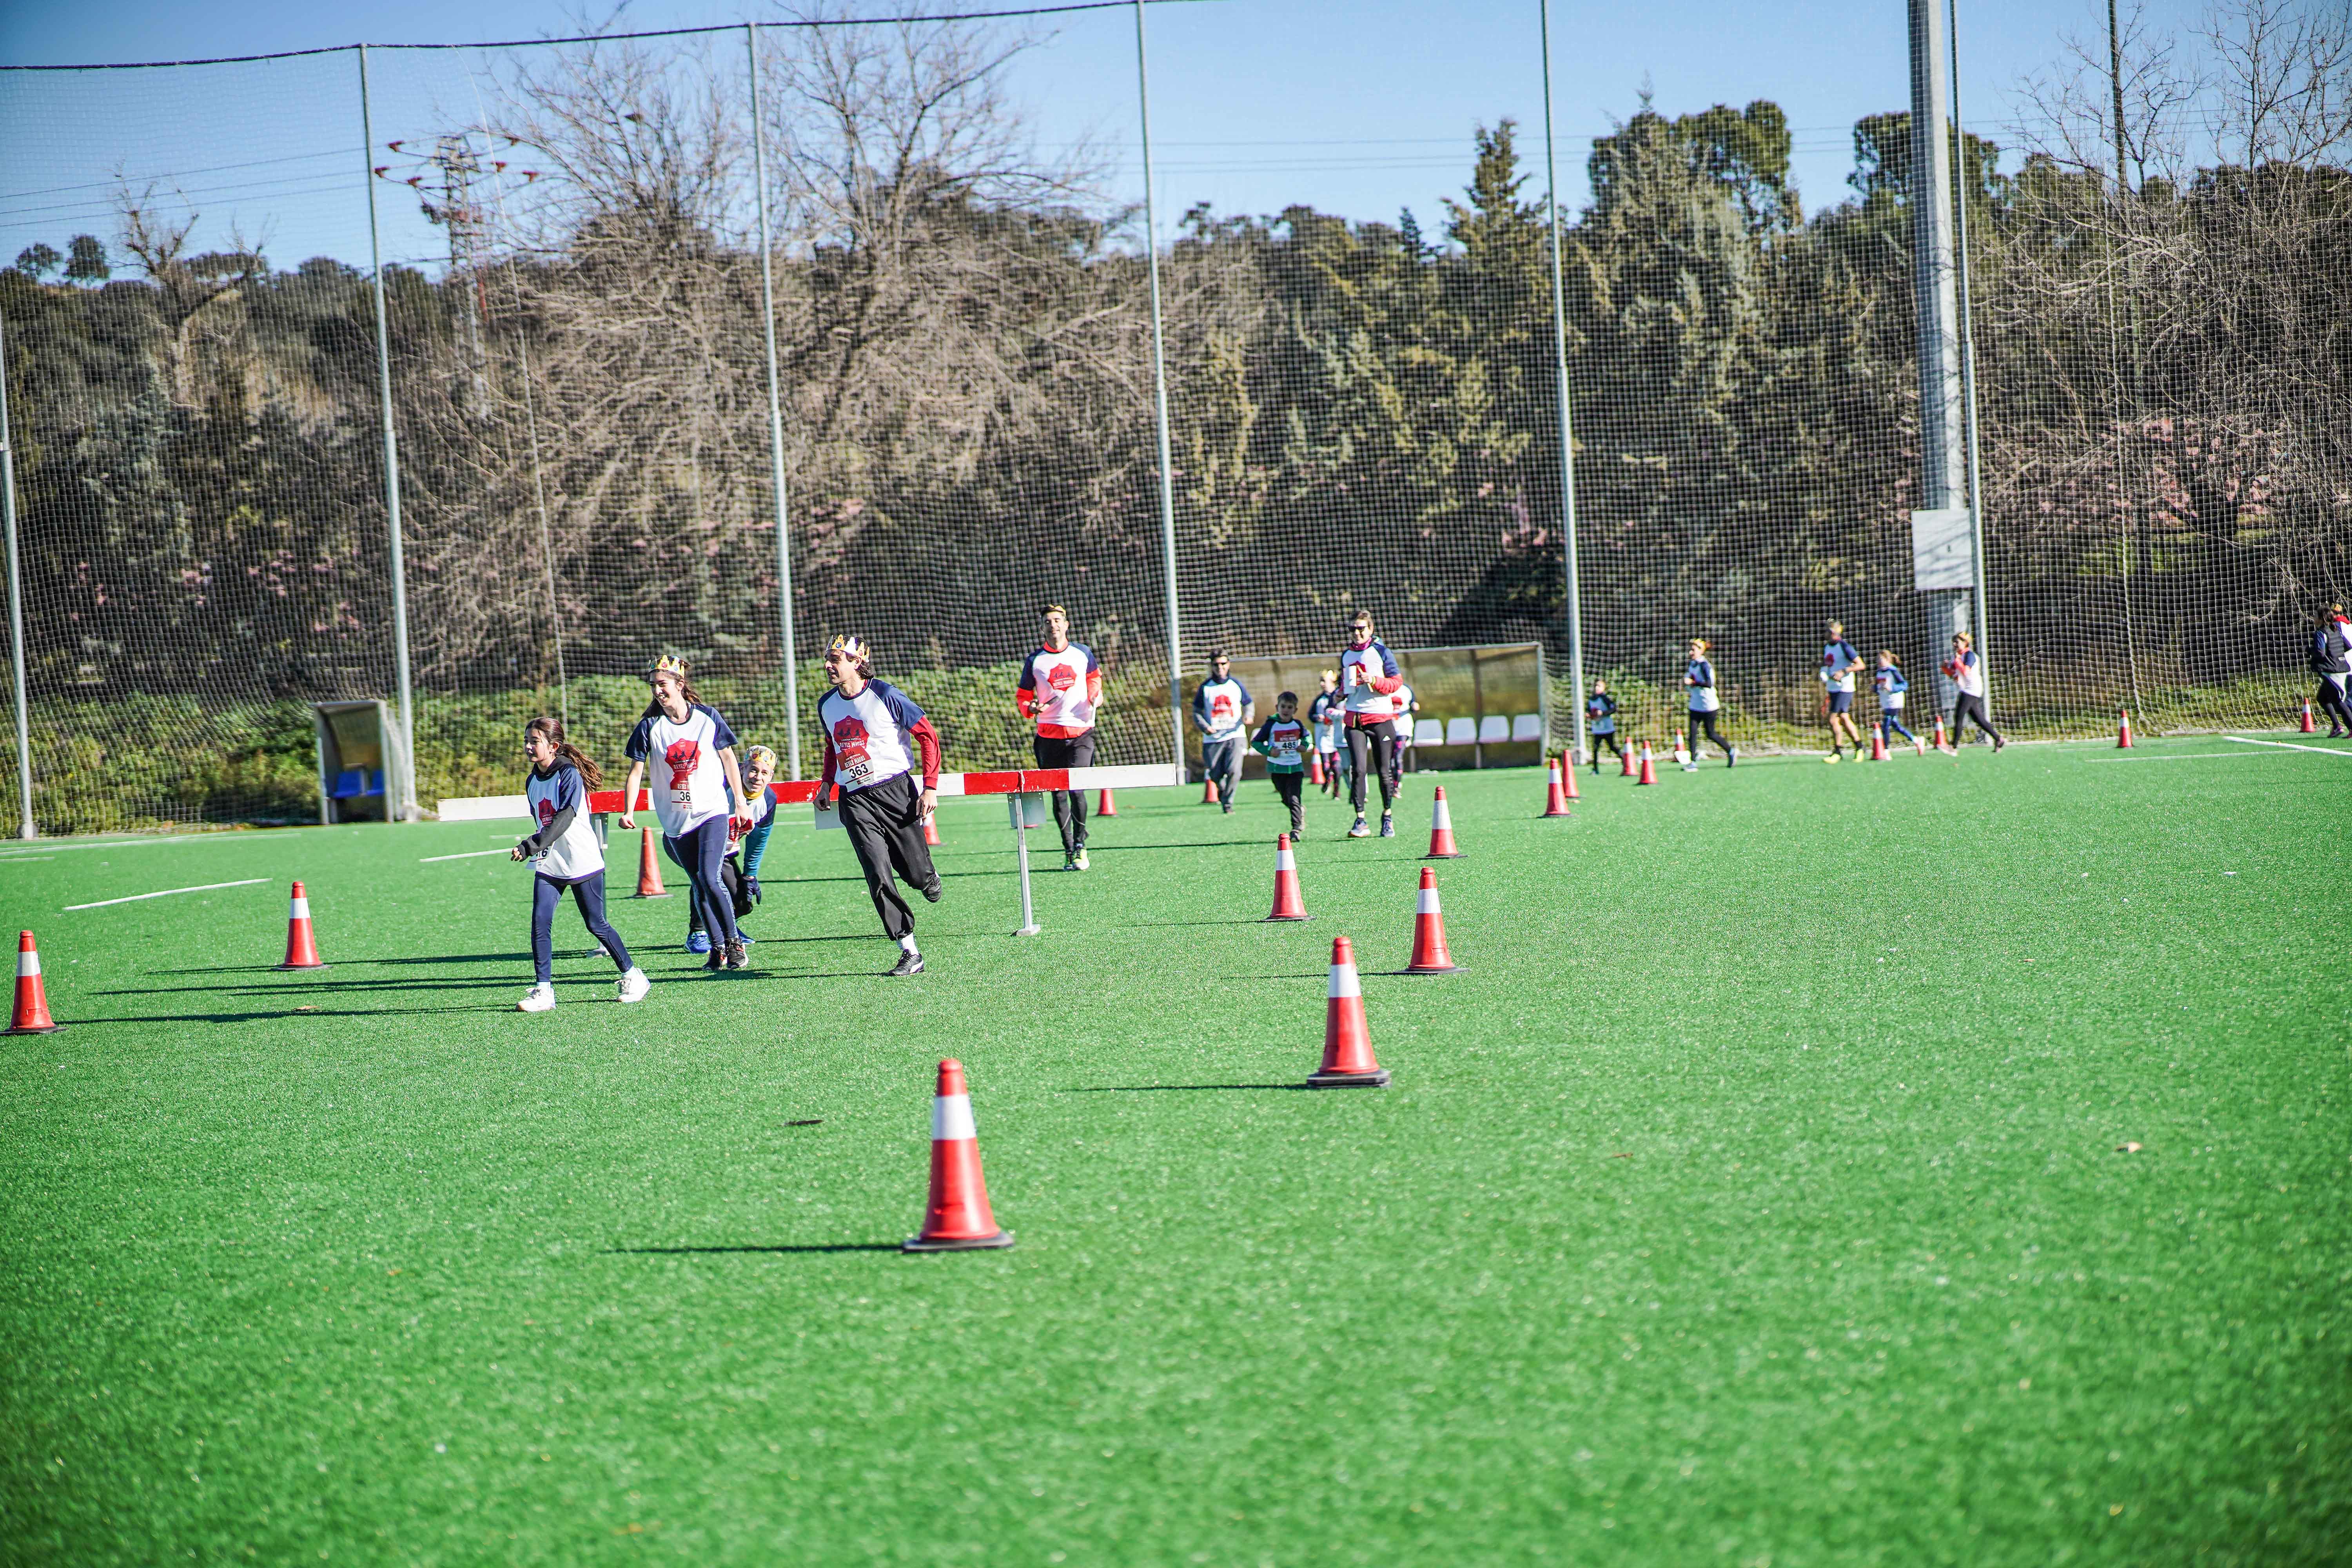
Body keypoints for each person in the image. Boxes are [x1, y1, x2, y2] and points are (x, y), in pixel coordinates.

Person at [815, 633, 943, 977]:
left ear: (857, 662)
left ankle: (927, 875)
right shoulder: (826, 704)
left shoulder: (886, 695)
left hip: (896, 792)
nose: (828, 665)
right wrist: (827, 783)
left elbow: (928, 736)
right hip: (855, 800)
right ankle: (909, 950)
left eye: (836, 660)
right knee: (877, 872)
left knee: (916, 874)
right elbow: (833, 746)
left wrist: (929, 788)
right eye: (827, 658)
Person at [620, 656, 753, 972]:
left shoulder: (708, 718)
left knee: (710, 876)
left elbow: (730, 760)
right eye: (653, 685)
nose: (657, 691)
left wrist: (740, 802)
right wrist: (628, 810)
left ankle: (734, 944)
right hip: (676, 821)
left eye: (662, 684)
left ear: (680, 685)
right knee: (699, 884)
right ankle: (716, 949)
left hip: (712, 812)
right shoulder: (650, 726)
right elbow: (636, 771)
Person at [511, 716, 648, 1012]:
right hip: (550, 863)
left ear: (554, 746)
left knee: (596, 924)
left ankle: (633, 975)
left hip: (582, 860)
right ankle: (544, 990)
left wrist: (530, 845)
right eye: (526, 741)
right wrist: (536, 849)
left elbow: (564, 817)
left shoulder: (569, 774)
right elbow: (542, 821)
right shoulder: (532, 780)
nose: (528, 747)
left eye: (534, 741)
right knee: (540, 922)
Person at [1016, 604, 1102, 871]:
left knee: (1077, 789)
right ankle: (1068, 849)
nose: (1053, 625)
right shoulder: (1035, 661)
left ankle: (1080, 845)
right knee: (1059, 795)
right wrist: (1030, 708)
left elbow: (1095, 679)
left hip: (1081, 733)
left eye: (1057, 620)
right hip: (1048, 736)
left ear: (1066, 625)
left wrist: (1095, 695)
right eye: (1048, 622)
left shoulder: (1082, 653)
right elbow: (1023, 697)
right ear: (1042, 629)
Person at [682, 743, 778, 955]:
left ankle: (728, 928)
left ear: (771, 777)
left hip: (724, 851)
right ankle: (698, 933)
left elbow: (758, 839)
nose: (757, 777)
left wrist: (751, 876)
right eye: (753, 770)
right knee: (705, 879)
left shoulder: (769, 800)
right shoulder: (720, 786)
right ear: (741, 769)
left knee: (743, 901)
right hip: (692, 841)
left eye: (765, 773)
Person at [1338, 610, 1404, 837]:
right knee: (1358, 770)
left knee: (1384, 772)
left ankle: (1387, 817)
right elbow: (1344, 685)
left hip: (1380, 719)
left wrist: (1374, 681)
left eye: (1361, 629)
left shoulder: (1382, 652)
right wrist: (1340, 693)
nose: (1357, 633)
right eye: (1353, 629)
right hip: (1355, 719)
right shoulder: (1346, 655)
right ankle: (1360, 820)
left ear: (1371, 630)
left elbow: (1396, 683)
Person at [1192, 652, 1253, 813]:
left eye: (1223, 664)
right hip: (1213, 738)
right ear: (1211, 667)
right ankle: (1222, 789)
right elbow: (1197, 712)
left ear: (1229, 665)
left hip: (1235, 735)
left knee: (1234, 770)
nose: (1220, 668)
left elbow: (1248, 704)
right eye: (1216, 665)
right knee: (1214, 772)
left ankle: (1228, 803)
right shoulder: (1206, 688)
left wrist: (1249, 716)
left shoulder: (1236, 685)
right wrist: (1205, 727)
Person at [1252, 691, 1311, 837]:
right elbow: (1256, 742)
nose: (1286, 710)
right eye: (1283, 707)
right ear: (1277, 707)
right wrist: (1269, 750)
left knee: (1294, 798)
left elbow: (1307, 738)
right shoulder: (1271, 725)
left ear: (1295, 710)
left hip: (1296, 768)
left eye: (1290, 707)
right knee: (1286, 799)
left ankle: (1296, 829)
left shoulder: (1297, 725)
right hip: (1277, 769)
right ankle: (1299, 810)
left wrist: (1304, 746)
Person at [1940, 631, 2005, 751]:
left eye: (1957, 642)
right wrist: (1945, 668)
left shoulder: (1970, 655)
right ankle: (1998, 739)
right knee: (1978, 719)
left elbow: (1965, 671)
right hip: (1968, 689)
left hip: (1971, 689)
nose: (1954, 644)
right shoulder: (1958, 658)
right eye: (1953, 642)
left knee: (1959, 716)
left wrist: (1958, 661)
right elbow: (1955, 676)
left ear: (1965, 643)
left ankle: (1953, 747)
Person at [1681, 638, 1736, 768]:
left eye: (1693, 650)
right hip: (1695, 704)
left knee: (1710, 733)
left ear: (1701, 651)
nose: (1690, 652)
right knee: (1692, 734)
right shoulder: (1693, 664)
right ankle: (1693, 762)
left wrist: (1693, 683)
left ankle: (1731, 751)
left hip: (1708, 705)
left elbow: (1709, 683)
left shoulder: (1705, 665)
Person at [1819, 619, 1867, 762]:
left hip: (1844, 688)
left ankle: (1838, 751)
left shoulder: (1844, 646)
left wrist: (1843, 671)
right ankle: (1860, 747)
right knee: (1845, 718)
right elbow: (1829, 665)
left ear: (1834, 633)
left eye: (1827, 631)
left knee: (1833, 719)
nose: (1825, 633)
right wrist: (1824, 672)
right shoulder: (1827, 647)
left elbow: (1861, 665)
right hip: (1834, 688)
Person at [2308, 605, 2351, 737]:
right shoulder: (2336, 630)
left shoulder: (2321, 633)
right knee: (2323, 697)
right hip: (2340, 669)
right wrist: (2336, 656)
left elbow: (2320, 653)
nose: (2314, 619)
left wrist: (2308, 650)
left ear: (2321, 619)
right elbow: (2348, 646)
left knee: (2338, 701)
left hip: (2332, 672)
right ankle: (2337, 726)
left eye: (2315, 616)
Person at [1873, 652, 1926, 755]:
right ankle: (1916, 740)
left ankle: (1886, 751)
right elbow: (1878, 687)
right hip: (1886, 701)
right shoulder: (1879, 672)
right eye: (1878, 659)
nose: (1879, 661)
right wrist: (1875, 688)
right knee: (1896, 725)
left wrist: (1892, 688)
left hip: (1894, 701)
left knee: (1886, 723)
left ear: (1888, 661)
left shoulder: (1893, 671)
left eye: (1881, 659)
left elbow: (1904, 685)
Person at [1308, 670, 1347, 799]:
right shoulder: (1320, 699)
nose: (1322, 684)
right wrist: (1317, 718)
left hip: (1337, 734)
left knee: (1336, 766)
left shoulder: (1339, 697)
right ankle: (1327, 780)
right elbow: (1311, 715)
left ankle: (1337, 791)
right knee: (1326, 766)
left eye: (1324, 681)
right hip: (1323, 736)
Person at [1585, 678, 1622, 773]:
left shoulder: (1605, 699)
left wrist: (1603, 713)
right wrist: (1589, 715)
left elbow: (1613, 709)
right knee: (1595, 748)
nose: (1597, 688)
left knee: (1612, 747)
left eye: (1599, 686)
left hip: (1607, 727)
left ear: (1604, 688)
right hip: (1597, 728)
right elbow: (1589, 711)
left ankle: (1625, 760)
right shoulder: (1591, 700)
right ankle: (1595, 769)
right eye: (1596, 686)